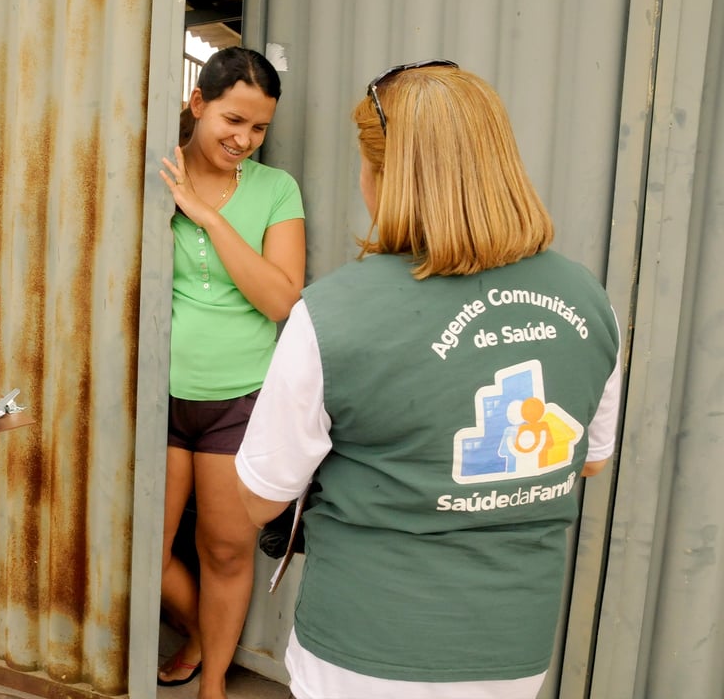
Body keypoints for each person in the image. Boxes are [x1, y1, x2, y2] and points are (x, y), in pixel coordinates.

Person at [234, 61, 622, 699]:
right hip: (511, 650)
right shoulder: (588, 298)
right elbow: (587, 461)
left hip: (362, 645)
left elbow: (259, 499)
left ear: (384, 174)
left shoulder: (330, 314)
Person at [156, 46, 306, 698]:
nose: (244, 139)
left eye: (259, 127)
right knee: (147, 550)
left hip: (239, 402)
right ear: (198, 104)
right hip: (156, 397)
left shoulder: (277, 190)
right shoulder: (154, 173)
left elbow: (280, 299)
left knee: (224, 552)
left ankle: (213, 680)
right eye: (233, 121)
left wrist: (210, 219)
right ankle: (200, 631)